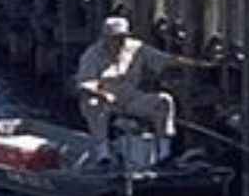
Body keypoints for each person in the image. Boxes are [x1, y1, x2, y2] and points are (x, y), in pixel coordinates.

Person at [72, 15, 197, 146]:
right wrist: (103, 94)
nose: (119, 42)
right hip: (105, 100)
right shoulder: (92, 54)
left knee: (164, 101)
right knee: (93, 104)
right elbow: (84, 83)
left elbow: (165, 60)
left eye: (122, 37)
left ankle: (164, 148)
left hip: (131, 99)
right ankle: (102, 149)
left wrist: (195, 63)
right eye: (115, 38)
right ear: (106, 37)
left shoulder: (136, 48)